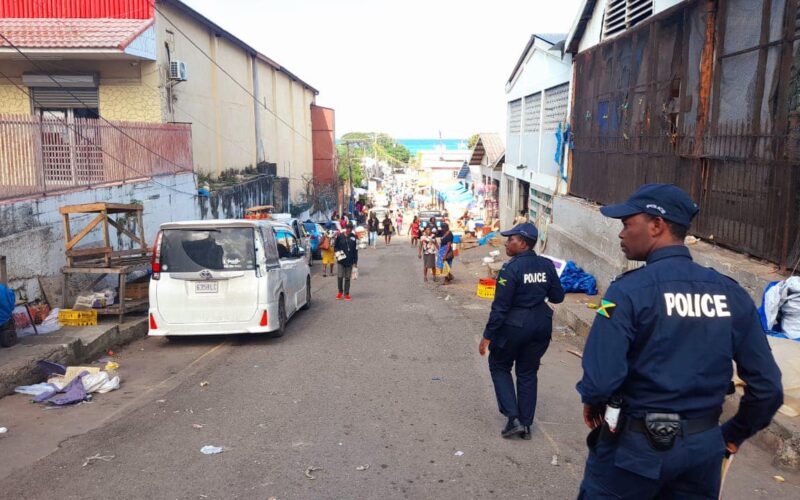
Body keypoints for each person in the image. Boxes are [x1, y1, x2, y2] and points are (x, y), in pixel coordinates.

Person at [576, 184, 783, 499]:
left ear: (657, 226)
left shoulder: (628, 292)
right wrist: (730, 436)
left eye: (627, 224)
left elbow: (600, 380)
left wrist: (594, 399)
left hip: (635, 453)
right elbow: (768, 389)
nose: (621, 233)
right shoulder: (732, 294)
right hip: (702, 454)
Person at [478, 223, 564, 439]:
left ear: (523, 244)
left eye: (511, 240)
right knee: (527, 372)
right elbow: (557, 297)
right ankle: (525, 425)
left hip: (515, 326)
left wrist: (487, 336)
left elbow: (500, 308)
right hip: (541, 324)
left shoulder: (511, 268)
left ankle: (513, 418)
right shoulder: (547, 265)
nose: (507, 243)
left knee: (499, 365)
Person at [333, 223, 359, 301]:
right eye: (348, 228)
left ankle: (346, 294)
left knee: (347, 278)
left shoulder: (354, 237)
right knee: (340, 276)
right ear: (345, 228)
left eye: (350, 228)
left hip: (350, 260)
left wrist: (355, 262)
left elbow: (356, 250)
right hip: (341, 260)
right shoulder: (340, 236)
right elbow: (335, 247)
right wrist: (338, 253)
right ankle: (340, 292)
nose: (349, 230)